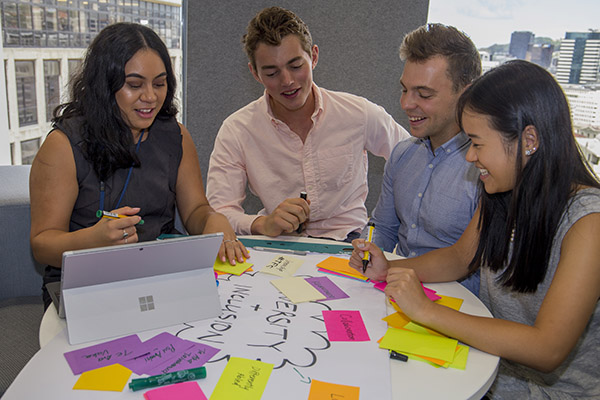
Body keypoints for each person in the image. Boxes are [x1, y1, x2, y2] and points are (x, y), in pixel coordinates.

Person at [350, 60, 600, 398]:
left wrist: (426, 310)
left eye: (478, 144)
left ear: (529, 141)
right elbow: (459, 257)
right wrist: (389, 269)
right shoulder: (502, 191)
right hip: (486, 362)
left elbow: (546, 348)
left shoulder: (589, 222)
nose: (469, 158)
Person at [30, 22, 248, 310]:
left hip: (158, 276)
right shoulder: (63, 145)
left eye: (159, 83)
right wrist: (93, 240)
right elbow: (42, 244)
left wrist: (212, 220)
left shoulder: (176, 136)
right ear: (105, 86)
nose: (150, 97)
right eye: (134, 85)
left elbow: (195, 210)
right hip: (85, 286)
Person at [206, 6, 409, 242]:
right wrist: (264, 223)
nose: (287, 81)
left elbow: (413, 160)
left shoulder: (358, 113)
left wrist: (388, 225)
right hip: (278, 244)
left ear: (313, 56)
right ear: (255, 73)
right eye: (271, 73)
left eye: (295, 66)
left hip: (348, 243)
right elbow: (218, 213)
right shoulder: (237, 130)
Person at [369, 23, 481, 294]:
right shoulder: (402, 153)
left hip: (460, 306)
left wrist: (389, 270)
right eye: (405, 89)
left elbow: (468, 261)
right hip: (396, 289)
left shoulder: (486, 167)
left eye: (424, 94)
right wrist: (367, 250)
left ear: (465, 93)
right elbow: (383, 227)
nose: (407, 104)